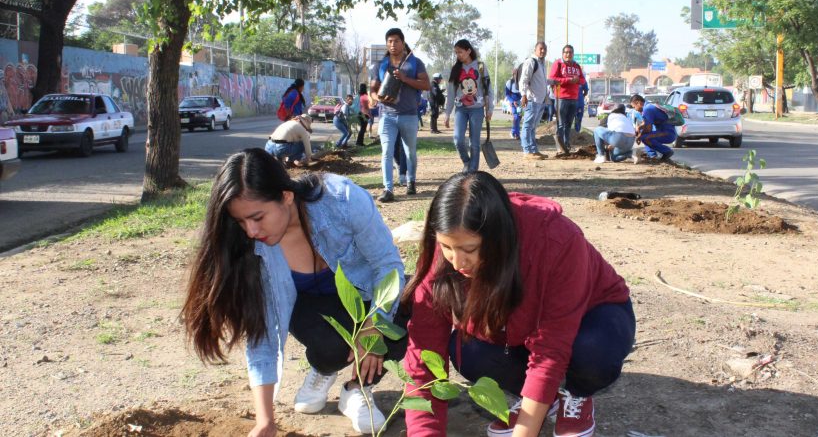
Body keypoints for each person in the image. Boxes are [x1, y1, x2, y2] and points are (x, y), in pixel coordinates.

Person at [182, 148, 408, 436]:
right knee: (332, 345)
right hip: (310, 309)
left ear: (286, 196)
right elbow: (260, 333)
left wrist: (375, 325)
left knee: (400, 326)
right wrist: (265, 421)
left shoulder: (343, 201)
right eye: (241, 221)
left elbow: (387, 265)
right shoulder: (254, 248)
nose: (251, 230)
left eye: (257, 217)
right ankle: (323, 369)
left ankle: (357, 390)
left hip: (362, 295)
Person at [402, 171, 635, 437]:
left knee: (591, 351)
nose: (457, 263)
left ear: (498, 238)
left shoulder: (557, 240)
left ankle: (576, 393)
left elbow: (551, 348)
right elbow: (423, 355)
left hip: (593, 315)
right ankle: (541, 398)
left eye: (469, 250)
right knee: (469, 353)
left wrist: (525, 432)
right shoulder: (444, 254)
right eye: (446, 247)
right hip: (520, 327)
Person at [369, 28, 430, 202]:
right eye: (389, 41)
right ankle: (388, 189)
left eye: (396, 41)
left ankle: (411, 181)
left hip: (409, 115)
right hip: (387, 116)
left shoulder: (415, 63)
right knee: (386, 152)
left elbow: (426, 85)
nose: (392, 44)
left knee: (410, 152)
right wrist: (377, 98)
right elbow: (373, 89)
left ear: (403, 43)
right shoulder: (381, 65)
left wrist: (405, 78)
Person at [444, 39, 493, 173]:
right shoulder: (455, 69)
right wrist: (447, 113)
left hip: (477, 109)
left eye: (460, 52)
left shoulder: (481, 66)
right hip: (460, 109)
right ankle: (467, 162)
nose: (458, 55)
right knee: (458, 139)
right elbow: (451, 93)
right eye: (456, 52)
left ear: (469, 51)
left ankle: (472, 170)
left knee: (474, 143)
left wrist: (490, 108)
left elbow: (488, 89)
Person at [548, 45, 586, 154]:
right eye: (566, 52)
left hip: (574, 98)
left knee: (569, 123)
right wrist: (568, 80)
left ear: (573, 54)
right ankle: (560, 147)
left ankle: (566, 144)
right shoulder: (558, 64)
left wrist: (577, 80)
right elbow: (553, 79)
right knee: (560, 123)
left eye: (570, 52)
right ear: (562, 53)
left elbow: (583, 81)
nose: (568, 54)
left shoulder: (576, 66)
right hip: (561, 98)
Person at [518, 41, 550, 160]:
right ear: (535, 50)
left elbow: (542, 81)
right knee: (527, 126)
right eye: (541, 48)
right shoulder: (531, 61)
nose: (543, 51)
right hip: (531, 99)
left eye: (545, 49)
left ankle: (534, 150)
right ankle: (527, 151)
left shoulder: (541, 64)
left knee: (532, 127)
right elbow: (524, 80)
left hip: (540, 101)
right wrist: (523, 95)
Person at [631, 94, 676, 162]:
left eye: (634, 107)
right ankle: (652, 155)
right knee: (645, 136)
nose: (635, 109)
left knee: (645, 137)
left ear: (638, 103)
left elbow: (648, 129)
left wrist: (639, 136)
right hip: (668, 132)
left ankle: (666, 152)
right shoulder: (649, 105)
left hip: (667, 134)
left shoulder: (647, 109)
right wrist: (639, 128)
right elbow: (646, 122)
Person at [505, 68, 522, 140]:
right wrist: (512, 101)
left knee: (519, 117)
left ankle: (513, 131)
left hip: (521, 103)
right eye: (516, 74)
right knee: (516, 117)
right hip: (513, 103)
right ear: (513, 74)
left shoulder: (522, 81)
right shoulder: (509, 82)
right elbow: (507, 94)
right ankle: (516, 134)